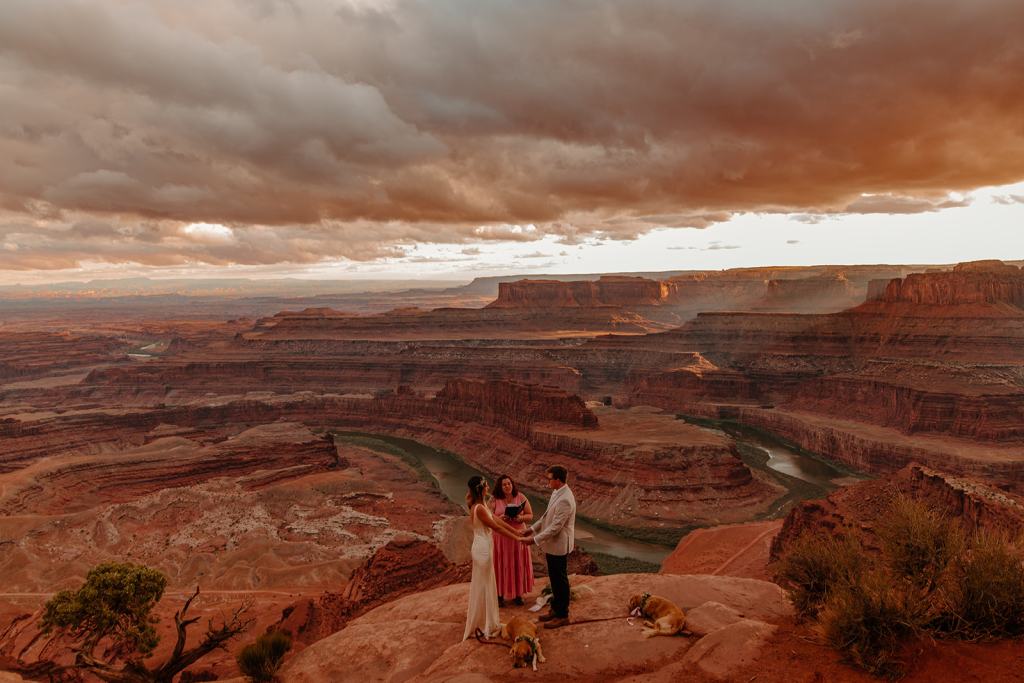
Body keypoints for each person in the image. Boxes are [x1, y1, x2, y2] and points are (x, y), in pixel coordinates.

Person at [462, 475, 521, 641]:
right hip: (483, 550)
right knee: (485, 585)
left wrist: (517, 532)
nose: (489, 488)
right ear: (481, 489)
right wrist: (518, 538)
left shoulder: (481, 505)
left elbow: (496, 520)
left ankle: (485, 620)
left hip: (484, 546)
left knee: (485, 583)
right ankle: (486, 623)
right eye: (486, 485)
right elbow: (495, 527)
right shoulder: (479, 508)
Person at [521, 465, 576, 629]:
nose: (548, 482)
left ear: (558, 480)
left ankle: (563, 615)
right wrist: (531, 529)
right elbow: (546, 517)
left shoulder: (565, 499)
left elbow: (555, 527)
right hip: (553, 545)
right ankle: (555, 609)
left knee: (560, 580)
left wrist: (534, 540)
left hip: (559, 545)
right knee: (554, 579)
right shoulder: (557, 492)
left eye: (550, 479)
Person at [491, 474, 535, 607]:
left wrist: (520, 518)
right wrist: (501, 518)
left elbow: (530, 515)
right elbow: (489, 517)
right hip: (502, 537)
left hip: (518, 535)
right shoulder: (494, 499)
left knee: (517, 563)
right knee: (501, 564)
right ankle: (499, 595)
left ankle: (518, 595)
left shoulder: (520, 497)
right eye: (504, 484)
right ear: (500, 487)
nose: (507, 486)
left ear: (512, 484)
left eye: (509, 483)